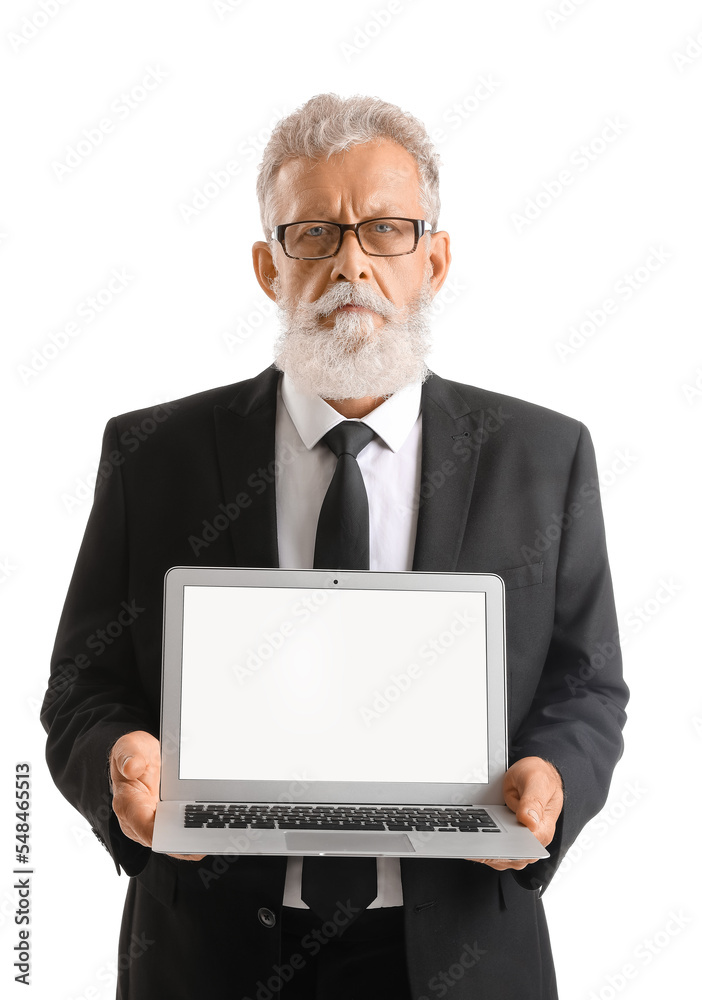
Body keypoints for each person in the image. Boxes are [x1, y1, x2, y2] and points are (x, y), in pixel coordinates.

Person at [41, 93, 629, 999]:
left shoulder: (543, 455)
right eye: (313, 233)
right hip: (209, 954)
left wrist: (554, 775)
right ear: (267, 268)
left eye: (387, 230)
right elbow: (84, 686)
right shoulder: (153, 455)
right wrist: (121, 761)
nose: (352, 262)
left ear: (434, 258)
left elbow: (586, 683)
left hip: (463, 948)